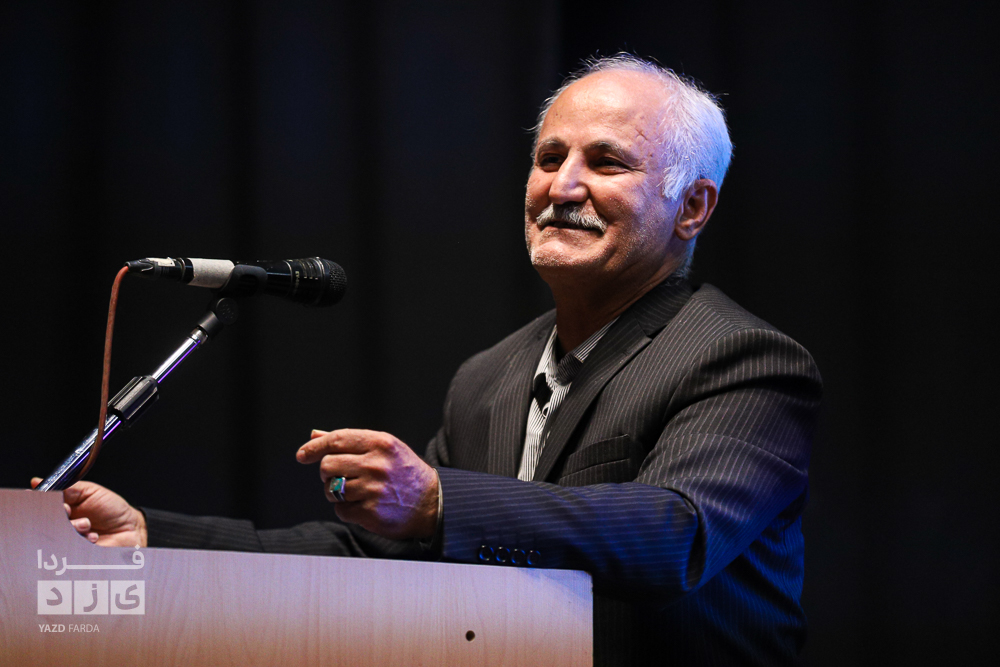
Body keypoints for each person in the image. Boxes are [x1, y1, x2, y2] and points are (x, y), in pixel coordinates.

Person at [41, 55, 822, 666]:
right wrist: (154, 538)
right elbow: (383, 552)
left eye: (607, 162)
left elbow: (676, 533)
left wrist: (442, 500)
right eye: (549, 156)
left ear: (693, 207)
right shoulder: (489, 377)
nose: (562, 185)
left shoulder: (743, 359)